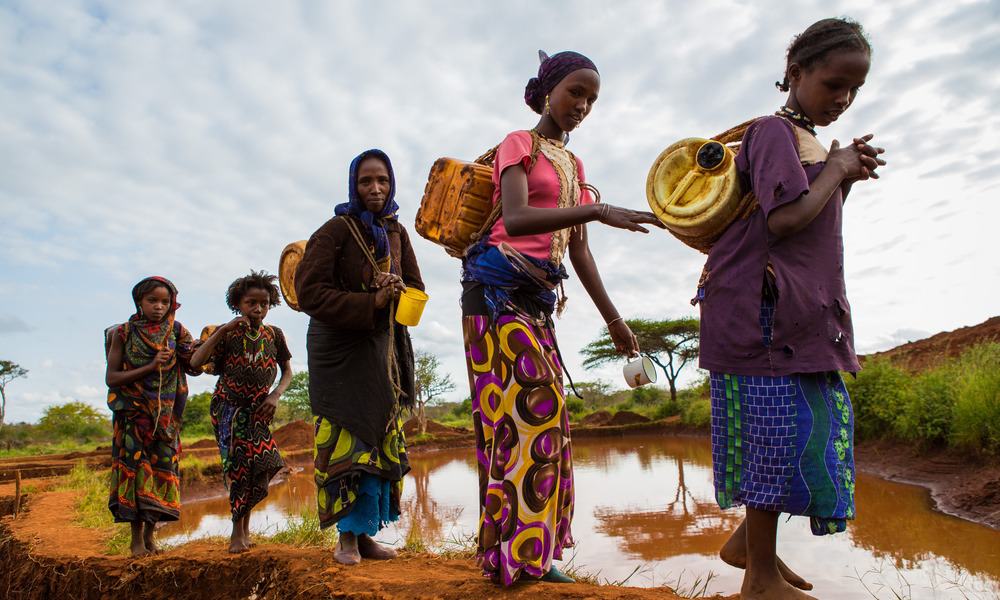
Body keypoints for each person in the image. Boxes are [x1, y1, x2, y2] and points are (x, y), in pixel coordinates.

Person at [694, 18, 886, 600]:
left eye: (854, 89)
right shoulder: (772, 132)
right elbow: (783, 221)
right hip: (761, 314)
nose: (843, 98)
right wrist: (838, 167)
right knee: (775, 436)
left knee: (803, 431)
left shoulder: (809, 142)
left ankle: (750, 552)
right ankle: (759, 579)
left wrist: (842, 171)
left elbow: (810, 221)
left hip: (798, 314)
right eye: (833, 83)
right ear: (795, 74)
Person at [462, 50, 664, 586]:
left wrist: (616, 323)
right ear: (550, 89)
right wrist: (599, 209)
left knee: (552, 425)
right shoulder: (518, 144)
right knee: (530, 413)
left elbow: (579, 254)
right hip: (494, 293)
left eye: (592, 99)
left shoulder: (575, 167)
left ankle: (535, 550)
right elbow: (517, 216)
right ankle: (512, 553)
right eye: (576, 91)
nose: (583, 105)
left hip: (538, 303)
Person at [295, 149, 424, 565]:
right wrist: (370, 300)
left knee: (379, 438)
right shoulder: (335, 230)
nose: (375, 188)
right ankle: (345, 539)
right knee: (347, 440)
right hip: (339, 351)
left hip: (380, 348)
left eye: (382, 180)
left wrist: (397, 289)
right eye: (366, 181)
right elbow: (310, 293)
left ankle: (365, 535)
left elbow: (416, 284)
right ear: (354, 184)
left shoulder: (398, 232)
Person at [190, 270, 292, 553]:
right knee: (238, 470)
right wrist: (222, 330)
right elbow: (197, 360)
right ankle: (238, 534)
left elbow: (287, 372)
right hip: (229, 410)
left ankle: (244, 529)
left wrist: (275, 396)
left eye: (264, 303)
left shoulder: (275, 335)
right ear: (238, 304)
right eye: (251, 303)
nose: (258, 308)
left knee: (265, 463)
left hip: (259, 412)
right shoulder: (228, 333)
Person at [105, 276, 200, 557]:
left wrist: (210, 342)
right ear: (139, 302)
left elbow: (193, 364)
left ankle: (150, 537)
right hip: (133, 416)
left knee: (161, 474)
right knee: (135, 475)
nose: (159, 307)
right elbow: (112, 378)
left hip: (166, 420)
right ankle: (136, 542)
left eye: (165, 302)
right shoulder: (122, 334)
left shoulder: (177, 331)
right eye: (152, 301)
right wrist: (149, 366)